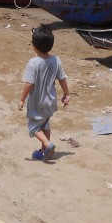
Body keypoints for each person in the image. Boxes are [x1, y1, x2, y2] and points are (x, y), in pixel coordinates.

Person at [18, 27, 70, 161]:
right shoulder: (56, 60)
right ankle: (43, 151)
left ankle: (47, 145)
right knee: (45, 124)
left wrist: (22, 99)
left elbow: (29, 83)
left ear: (34, 46)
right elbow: (62, 78)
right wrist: (66, 94)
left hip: (37, 102)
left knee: (34, 126)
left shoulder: (33, 63)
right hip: (50, 101)